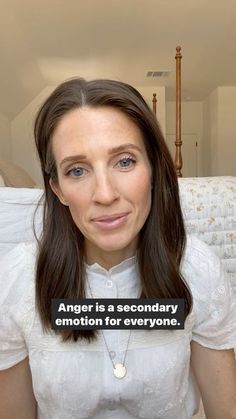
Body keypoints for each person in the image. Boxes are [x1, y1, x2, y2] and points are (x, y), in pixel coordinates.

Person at [0, 78, 236, 419]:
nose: (105, 194)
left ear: (154, 168)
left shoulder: (198, 270)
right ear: (58, 189)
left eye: (124, 162)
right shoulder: (16, 281)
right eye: (77, 170)